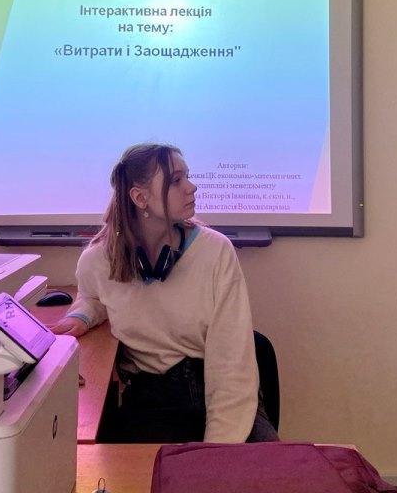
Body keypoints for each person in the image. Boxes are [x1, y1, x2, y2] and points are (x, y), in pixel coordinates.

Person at [50, 142, 278, 443]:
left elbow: (230, 362)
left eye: (187, 176)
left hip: (222, 392)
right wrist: (83, 315)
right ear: (140, 197)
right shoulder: (98, 260)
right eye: (176, 180)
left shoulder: (215, 251)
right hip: (152, 399)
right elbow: (94, 296)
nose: (192, 187)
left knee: (267, 467)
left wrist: (218, 447)